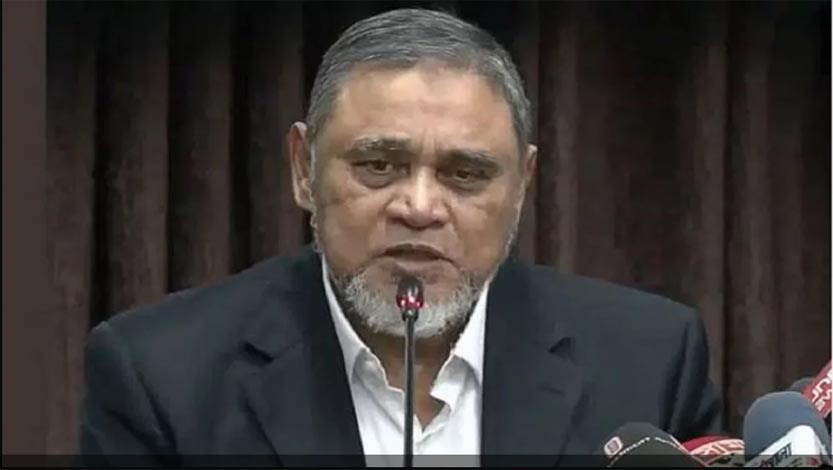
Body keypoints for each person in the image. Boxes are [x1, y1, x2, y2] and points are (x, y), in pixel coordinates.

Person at [80, 8, 722, 467]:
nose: (419, 208)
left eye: (465, 174)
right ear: (303, 168)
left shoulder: (650, 362)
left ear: (523, 184)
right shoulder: (159, 377)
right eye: (378, 165)